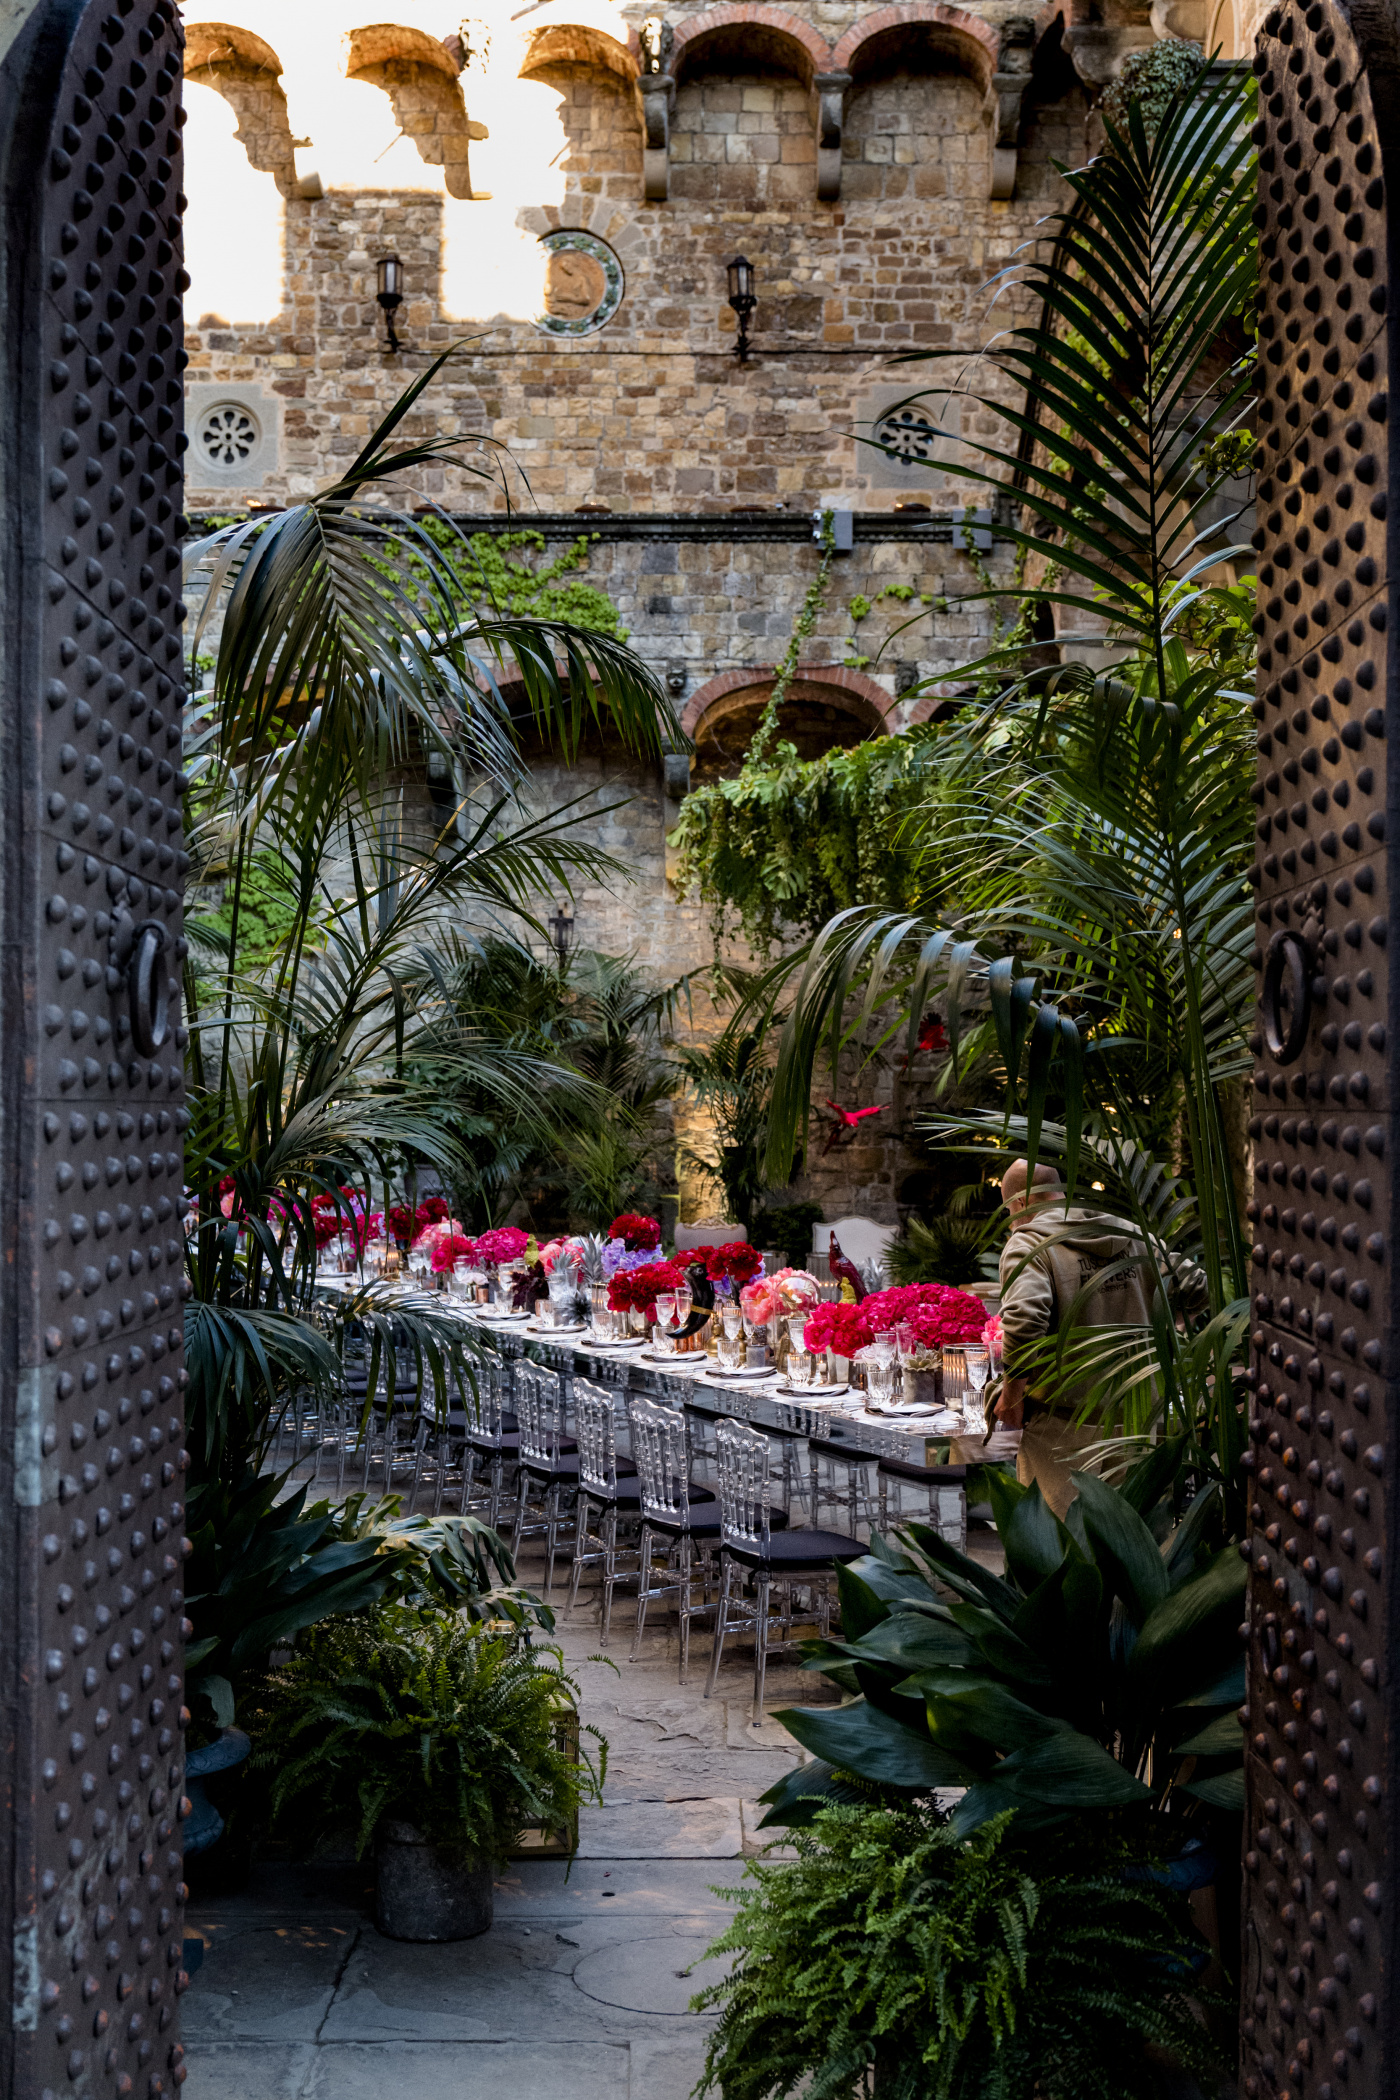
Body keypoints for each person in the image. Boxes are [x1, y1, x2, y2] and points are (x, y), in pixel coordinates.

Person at [993, 1160, 1207, 1517]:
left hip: (1065, 1430)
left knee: (1068, 1554)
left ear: (1019, 1203)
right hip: (1142, 1422)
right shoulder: (1130, 1231)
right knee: (1137, 1552)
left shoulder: (1030, 1244)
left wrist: (1012, 1396)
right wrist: (1172, 1326)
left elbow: (1025, 1317)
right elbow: (1196, 1285)